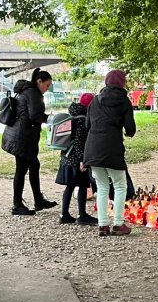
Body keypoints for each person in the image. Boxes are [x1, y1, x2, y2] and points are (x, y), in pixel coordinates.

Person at [84, 70, 136, 237]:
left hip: (93, 147)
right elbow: (130, 128)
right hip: (112, 147)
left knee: (102, 186)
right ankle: (118, 224)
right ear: (122, 83)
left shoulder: (95, 100)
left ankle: (103, 225)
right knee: (120, 185)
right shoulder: (124, 101)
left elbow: (87, 125)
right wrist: (127, 132)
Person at [1, 68, 58, 215]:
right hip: (23, 137)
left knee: (33, 165)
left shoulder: (26, 90)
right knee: (22, 169)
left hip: (21, 135)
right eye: (47, 85)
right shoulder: (33, 93)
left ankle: (37, 200)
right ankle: (17, 205)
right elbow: (35, 115)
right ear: (39, 81)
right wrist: (52, 119)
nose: (47, 89)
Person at [55, 93, 96, 225]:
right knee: (83, 185)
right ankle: (82, 215)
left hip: (66, 157)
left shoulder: (73, 116)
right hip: (76, 160)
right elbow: (79, 143)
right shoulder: (82, 120)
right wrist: (82, 160)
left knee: (70, 186)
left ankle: (64, 214)